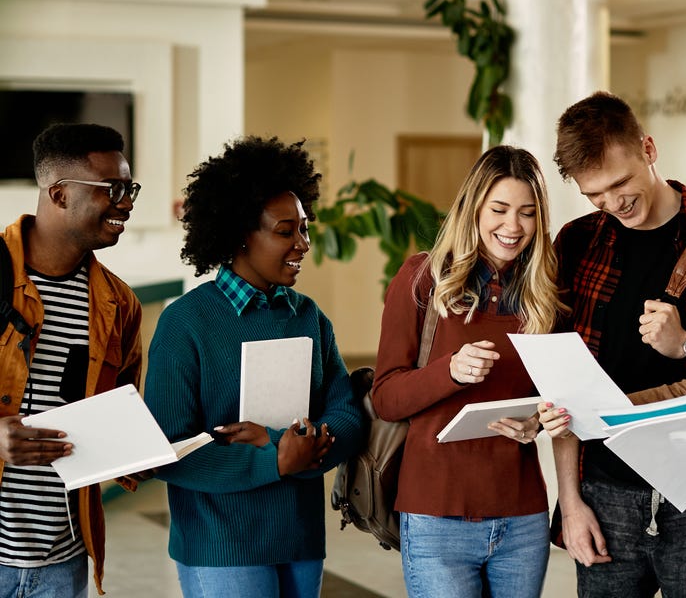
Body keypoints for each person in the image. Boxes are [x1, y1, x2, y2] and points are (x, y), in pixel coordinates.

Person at [544, 91, 686, 598]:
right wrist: (571, 500)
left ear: (648, 148)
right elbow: (564, 386)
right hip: (603, 491)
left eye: (620, 183)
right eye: (595, 195)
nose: (613, 204)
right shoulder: (577, 242)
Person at [142, 135, 364, 598]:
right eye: (286, 231)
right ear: (242, 231)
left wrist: (283, 445)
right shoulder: (185, 323)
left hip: (299, 538)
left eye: (305, 228)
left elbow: (346, 415)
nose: (303, 244)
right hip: (220, 544)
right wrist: (276, 459)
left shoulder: (309, 317)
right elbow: (167, 451)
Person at [371, 145, 568, 598]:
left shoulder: (545, 292)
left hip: (522, 516)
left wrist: (537, 421)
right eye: (499, 209)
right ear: (472, 208)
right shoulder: (423, 279)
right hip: (435, 515)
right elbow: (385, 397)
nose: (512, 226)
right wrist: (450, 372)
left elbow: (556, 394)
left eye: (527, 213)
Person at [0, 123, 143, 596]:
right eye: (113, 189)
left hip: (63, 563)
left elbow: (121, 413)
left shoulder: (118, 304)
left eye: (130, 188)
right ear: (59, 194)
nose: (126, 202)